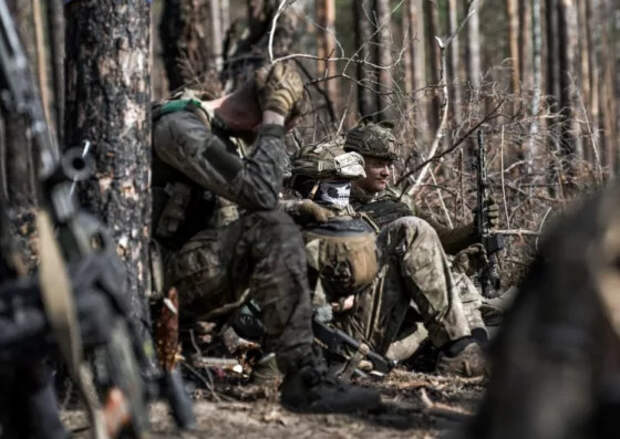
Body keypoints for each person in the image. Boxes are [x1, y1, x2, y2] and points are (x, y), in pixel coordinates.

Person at [152, 61, 380, 413]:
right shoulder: (179, 125)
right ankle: (303, 376)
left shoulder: (217, 135)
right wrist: (275, 118)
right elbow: (259, 193)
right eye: (271, 130)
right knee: (273, 230)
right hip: (155, 280)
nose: (264, 141)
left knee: (296, 232)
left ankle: (298, 363)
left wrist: (299, 210)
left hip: (189, 270)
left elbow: (250, 201)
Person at [286, 141, 487, 377]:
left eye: (345, 182)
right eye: (336, 182)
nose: (343, 190)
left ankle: (466, 350)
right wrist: (331, 304)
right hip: (334, 340)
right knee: (410, 230)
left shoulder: (351, 221)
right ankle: (459, 352)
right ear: (310, 185)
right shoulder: (290, 228)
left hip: (370, 328)